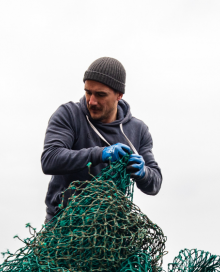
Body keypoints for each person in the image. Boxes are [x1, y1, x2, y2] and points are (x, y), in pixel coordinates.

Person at [41, 56, 162, 222]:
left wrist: (144, 173)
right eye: (88, 92)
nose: (91, 101)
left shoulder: (138, 130)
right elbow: (50, 159)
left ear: (119, 95)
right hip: (63, 225)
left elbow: (154, 184)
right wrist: (101, 153)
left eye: (100, 95)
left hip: (109, 230)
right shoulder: (69, 115)